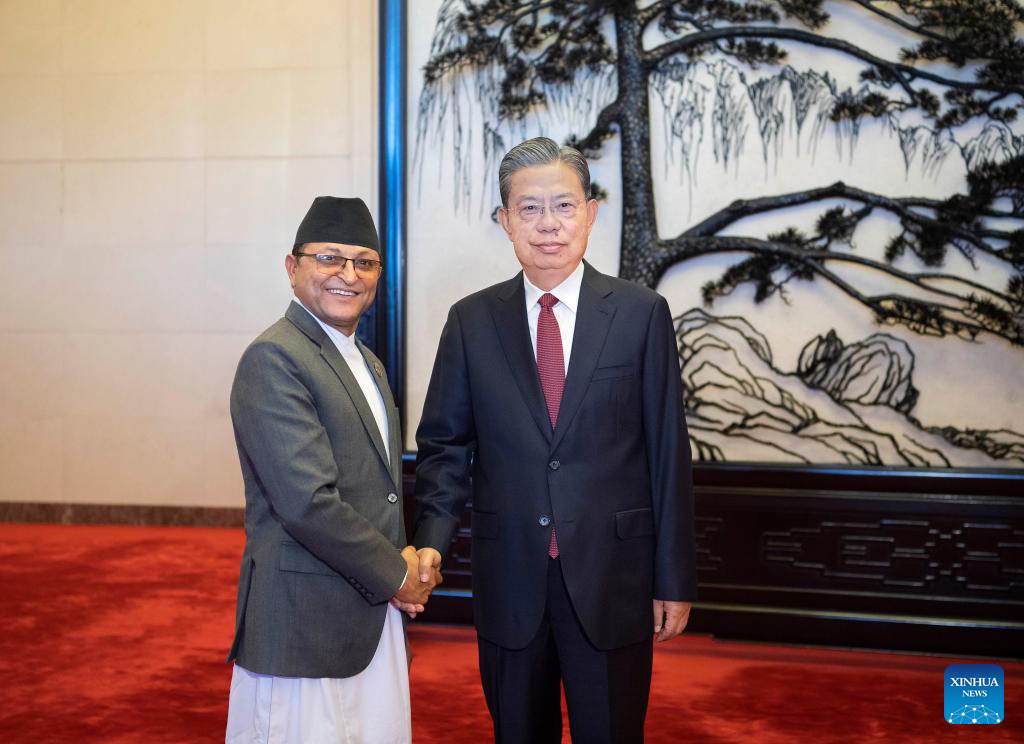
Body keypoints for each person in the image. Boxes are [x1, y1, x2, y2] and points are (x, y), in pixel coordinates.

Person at [412, 137, 696, 743]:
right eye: (530, 208)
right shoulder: (471, 321)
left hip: (614, 577)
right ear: (505, 221)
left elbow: (669, 455)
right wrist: (431, 543)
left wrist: (673, 578)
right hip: (510, 575)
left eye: (564, 206)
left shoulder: (642, 314)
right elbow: (444, 445)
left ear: (590, 213)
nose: (548, 224)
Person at [225, 196, 440, 744]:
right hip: (305, 623)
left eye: (364, 262)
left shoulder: (366, 361)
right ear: (292, 266)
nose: (348, 274)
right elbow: (307, 501)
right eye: (329, 258)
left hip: (370, 613)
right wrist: (397, 574)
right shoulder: (275, 357)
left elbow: (378, 492)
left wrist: (402, 566)